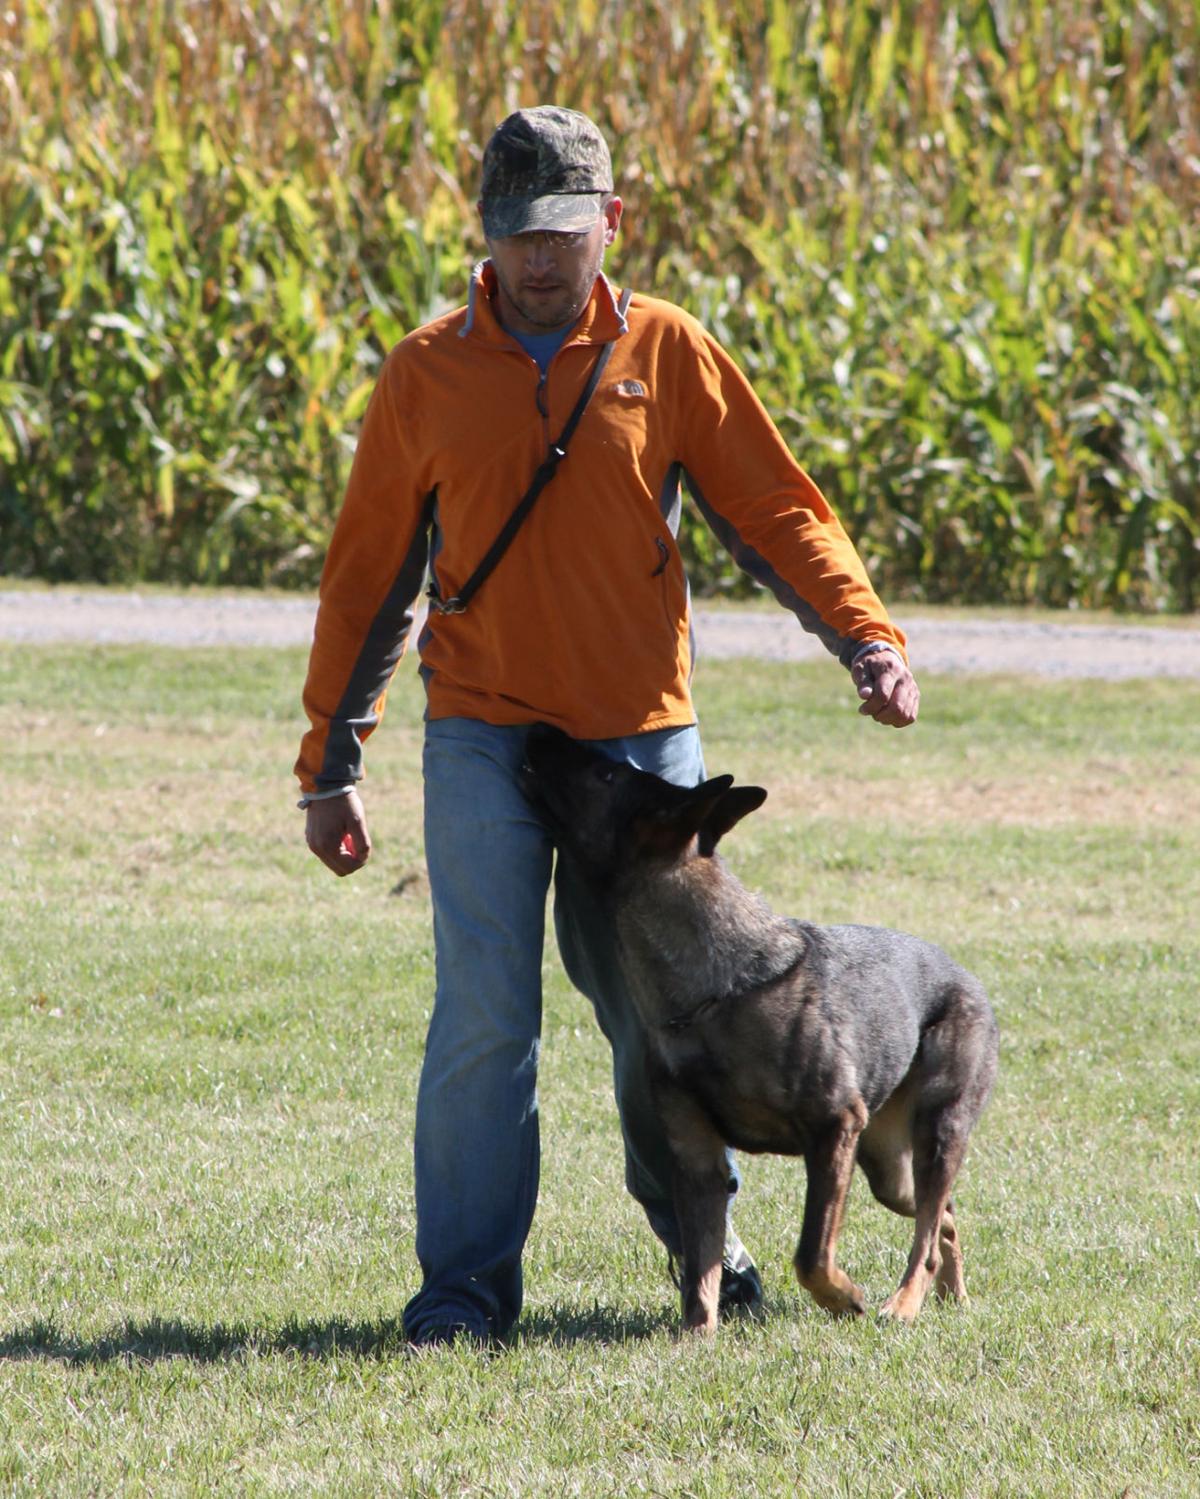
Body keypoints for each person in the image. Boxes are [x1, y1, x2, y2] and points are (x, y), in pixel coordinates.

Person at [296, 106, 919, 1348]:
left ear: (611, 224)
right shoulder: (426, 372)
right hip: (485, 736)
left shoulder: (669, 351)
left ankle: (712, 1248)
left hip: (640, 752)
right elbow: (370, 575)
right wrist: (332, 760)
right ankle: (463, 1296)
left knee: (660, 1020)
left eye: (567, 233)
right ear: (484, 232)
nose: (542, 259)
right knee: (486, 1014)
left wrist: (867, 635)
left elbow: (776, 509)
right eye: (522, 233)